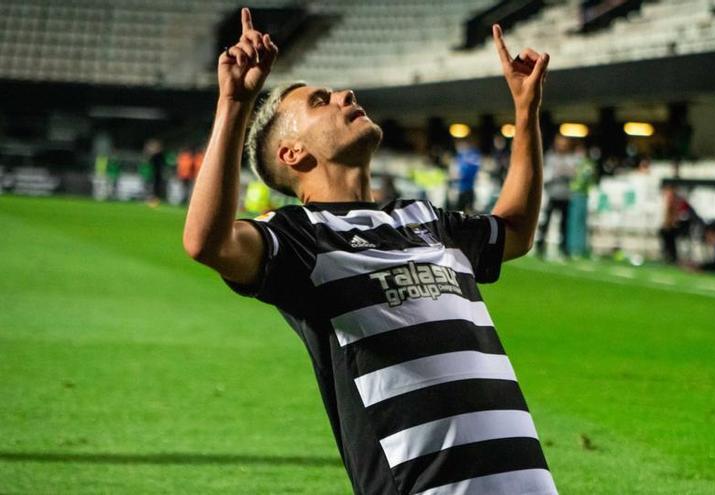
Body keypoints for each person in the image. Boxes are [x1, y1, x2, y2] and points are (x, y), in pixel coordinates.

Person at [183, 9, 557, 495]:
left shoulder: (424, 219)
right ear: (292, 154)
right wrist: (235, 102)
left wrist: (526, 114)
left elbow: (514, 230)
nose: (345, 95)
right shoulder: (302, 237)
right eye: (321, 101)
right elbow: (207, 242)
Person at [536, 134, 577, 258]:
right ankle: (540, 246)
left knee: (564, 225)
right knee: (546, 222)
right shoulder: (551, 157)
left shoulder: (572, 159)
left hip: (565, 195)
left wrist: (564, 172)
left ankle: (564, 249)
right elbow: (547, 174)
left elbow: (573, 174)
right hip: (553, 194)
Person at [453, 137, 481, 213]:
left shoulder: (473, 154)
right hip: (460, 187)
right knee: (459, 209)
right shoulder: (460, 156)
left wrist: (460, 176)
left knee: (468, 209)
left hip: (468, 186)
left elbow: (472, 170)